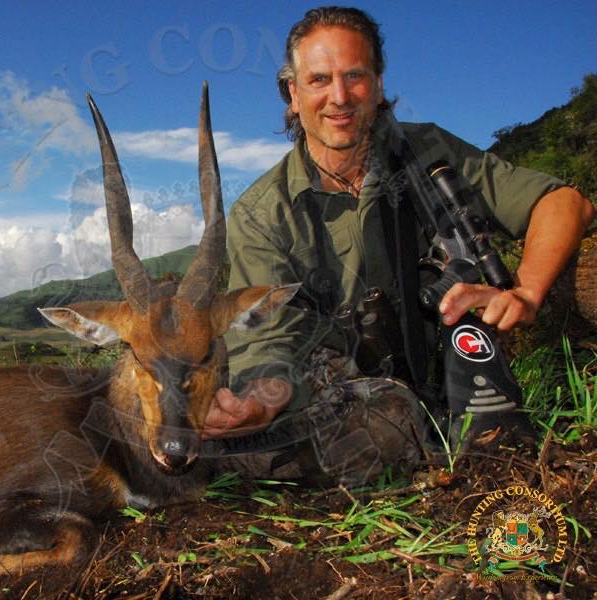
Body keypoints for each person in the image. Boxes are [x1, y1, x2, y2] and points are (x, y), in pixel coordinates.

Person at [202, 6, 594, 478]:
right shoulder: (261, 213)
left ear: (379, 84)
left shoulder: (428, 150)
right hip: (343, 390)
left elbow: (564, 203)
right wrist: (259, 404)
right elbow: (266, 339)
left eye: (355, 76)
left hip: (449, 363)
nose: (340, 97)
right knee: (260, 445)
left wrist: (526, 291)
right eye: (319, 80)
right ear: (293, 92)